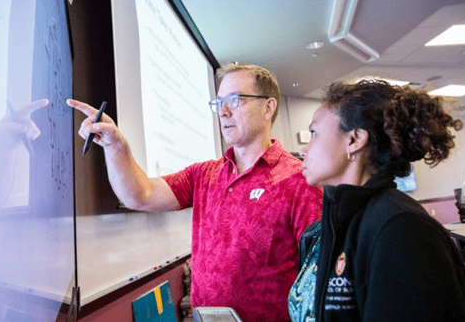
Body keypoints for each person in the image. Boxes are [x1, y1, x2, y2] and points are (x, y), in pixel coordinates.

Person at [68, 63, 323, 321]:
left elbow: (317, 276)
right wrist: (115, 146)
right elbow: (140, 195)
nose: (222, 112)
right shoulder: (205, 174)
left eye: (234, 100)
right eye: (219, 103)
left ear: (268, 107)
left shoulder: (299, 179)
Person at [288, 79, 465, 322]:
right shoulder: (328, 227)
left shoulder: (402, 229)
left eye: (314, 133)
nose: (303, 150)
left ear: (354, 140)